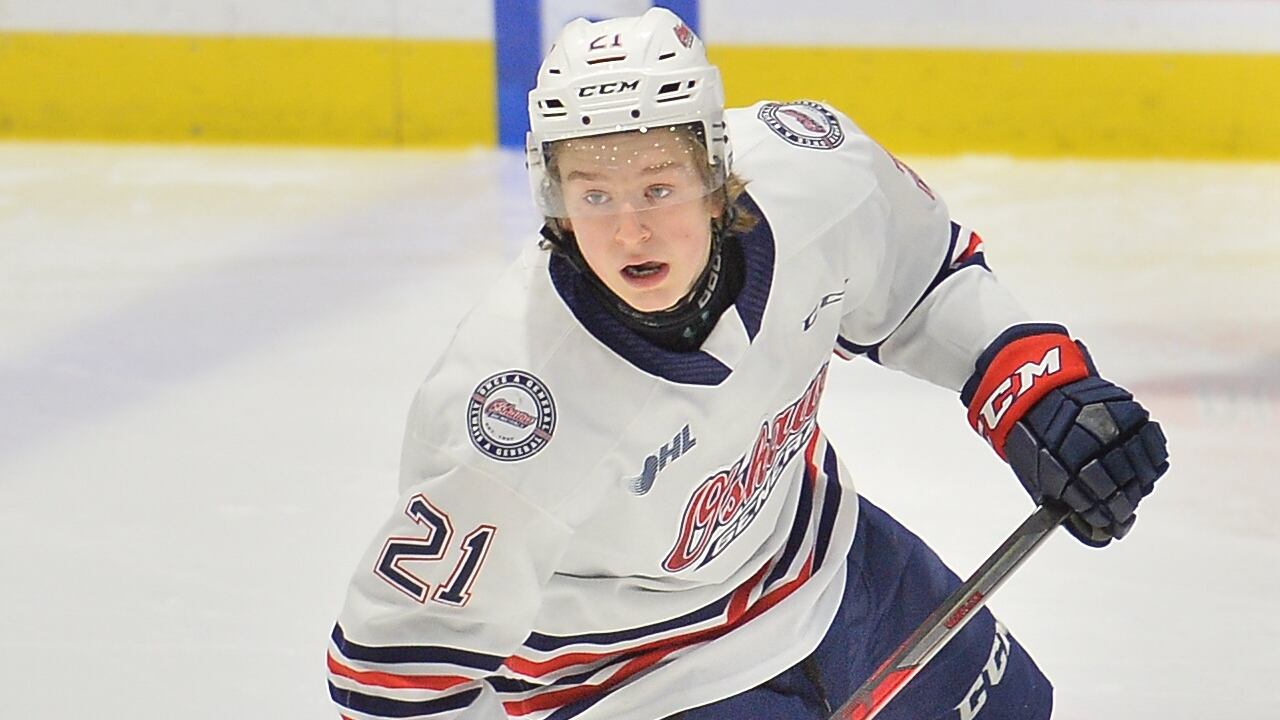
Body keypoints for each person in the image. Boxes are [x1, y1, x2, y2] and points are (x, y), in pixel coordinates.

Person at [326, 9, 1169, 720]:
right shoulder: (514, 407)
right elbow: (394, 673)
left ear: (715, 168)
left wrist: (1041, 392)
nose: (629, 230)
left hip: (824, 559)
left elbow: (923, 280)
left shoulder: (815, 176)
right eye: (595, 194)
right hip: (632, 677)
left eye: (658, 187)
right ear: (554, 197)